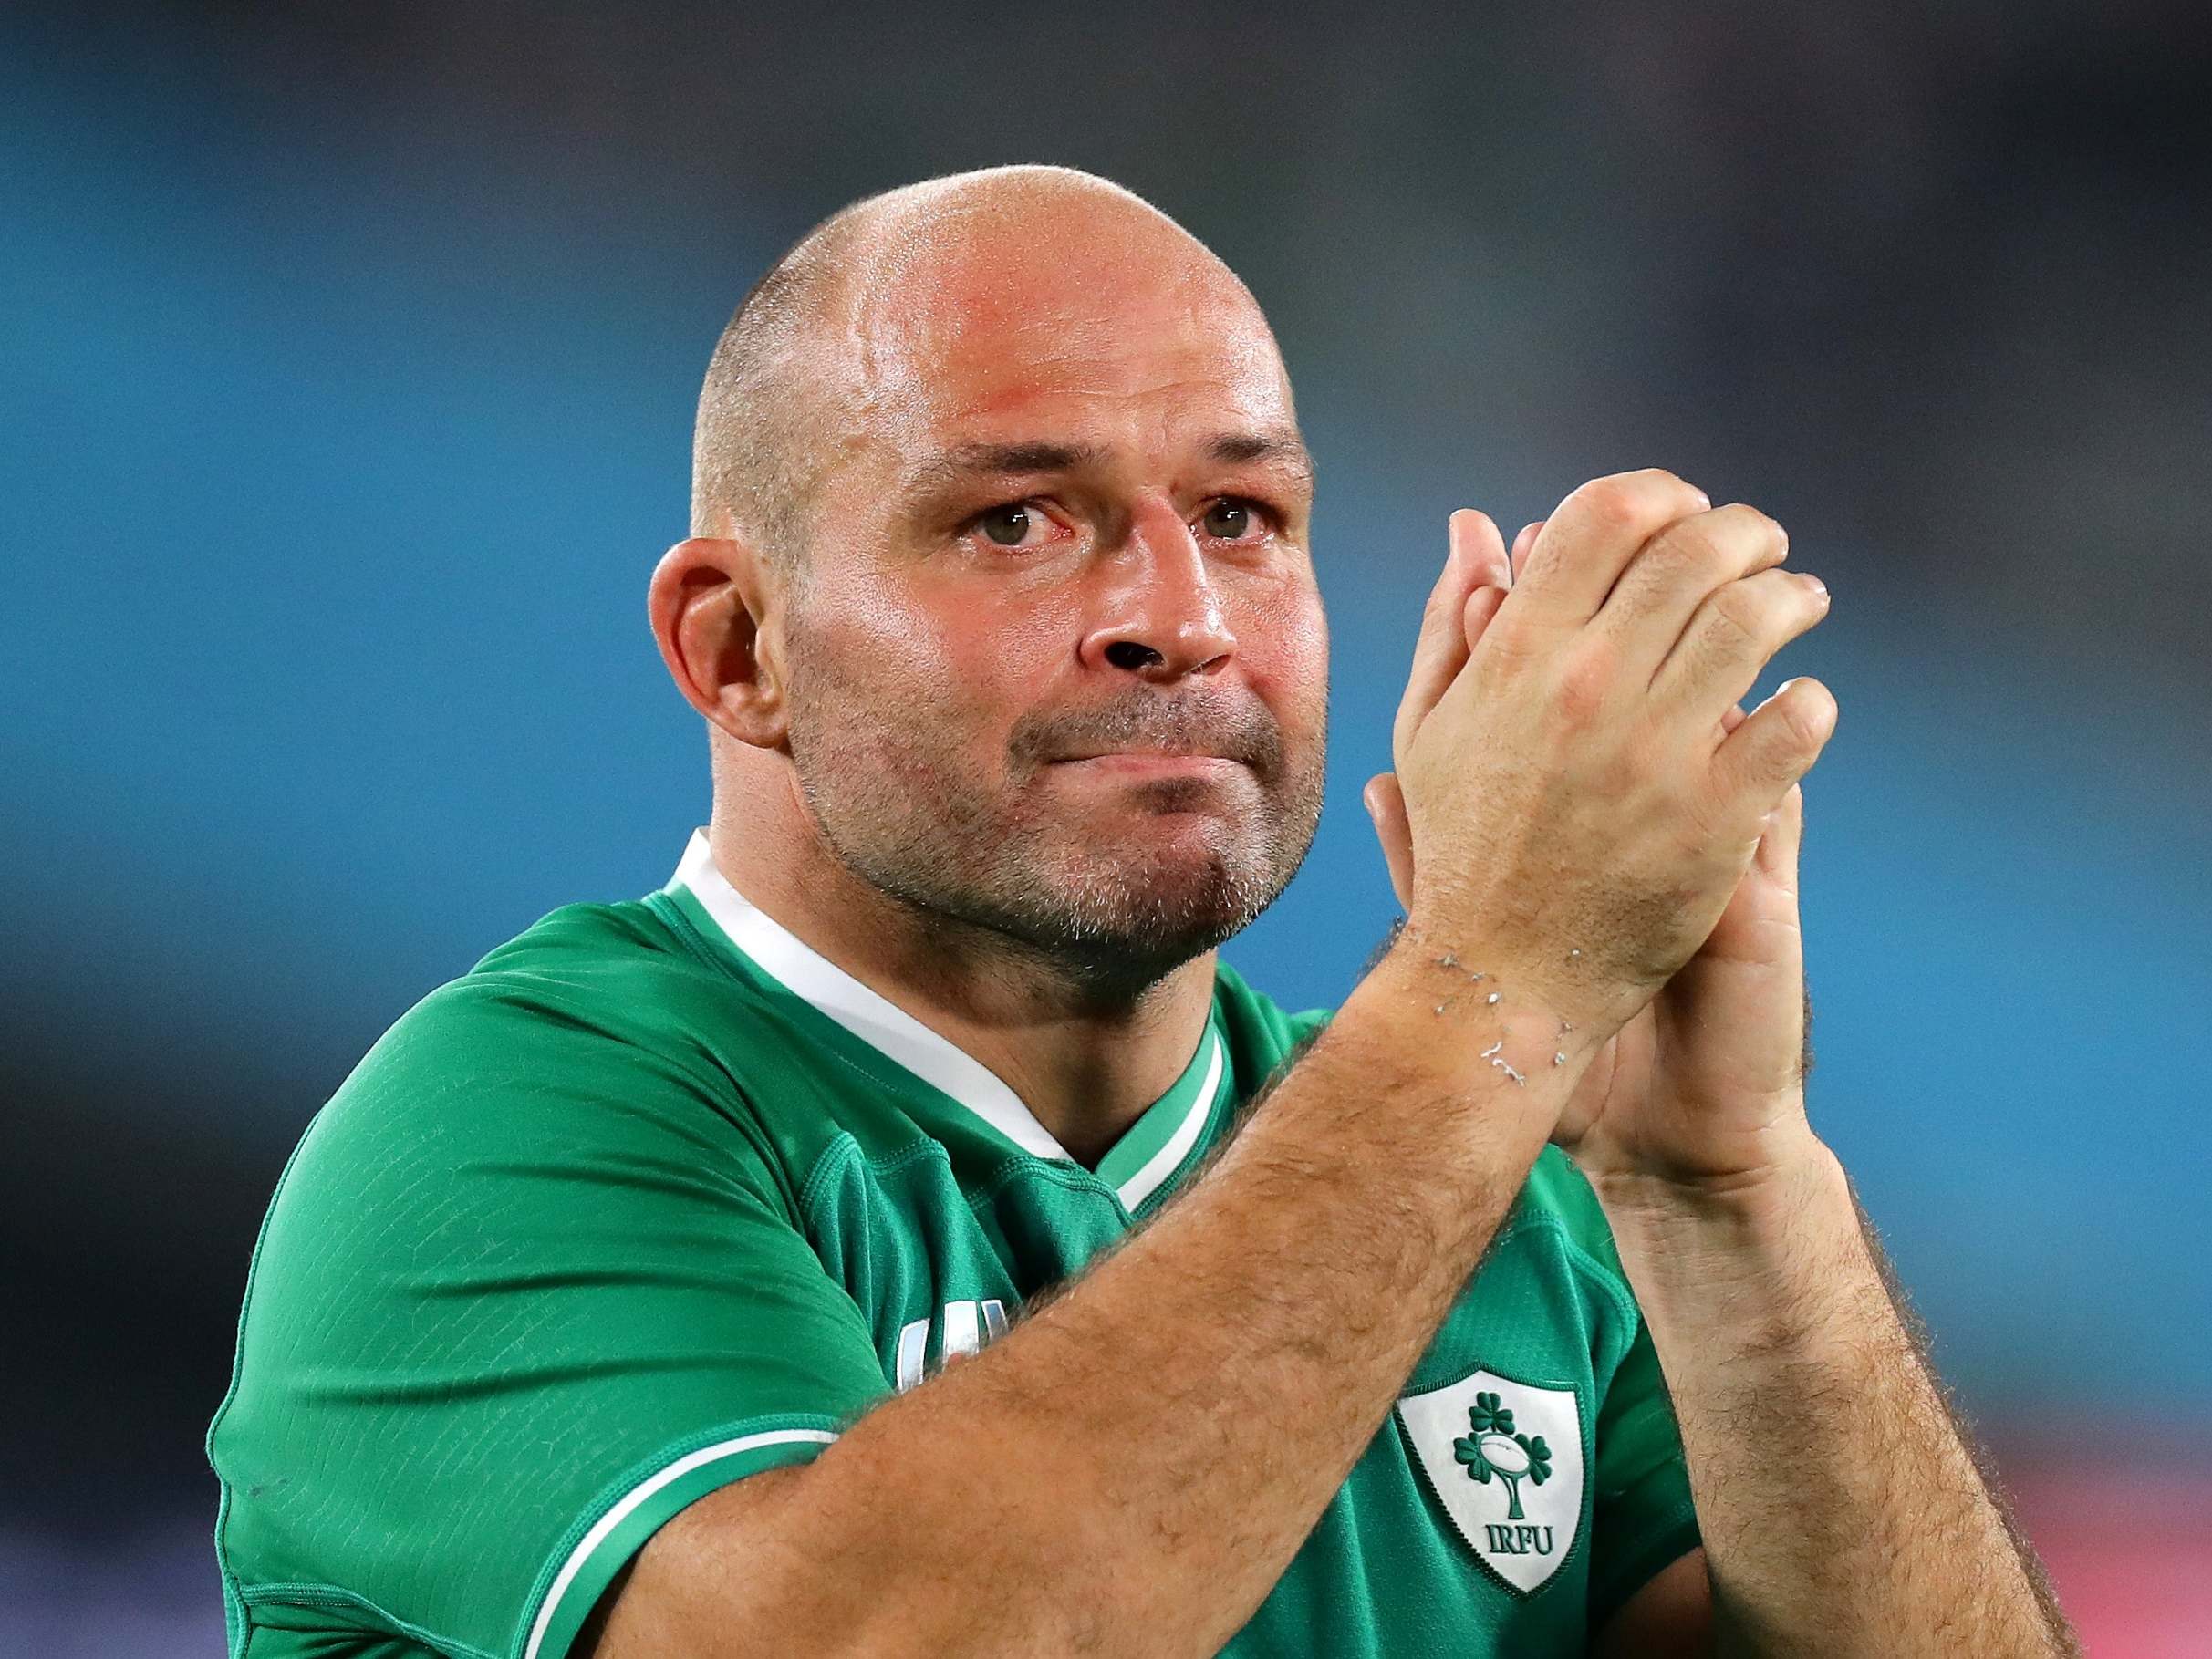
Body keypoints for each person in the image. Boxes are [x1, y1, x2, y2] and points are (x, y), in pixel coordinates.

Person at [206, 164, 2074, 1658]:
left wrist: (1728, 1187)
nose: (1179, 616)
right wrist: (1493, 985)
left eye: (1245, 516)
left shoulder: (1528, 1213)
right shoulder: (502, 1131)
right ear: (737, 645)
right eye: (1016, 519)